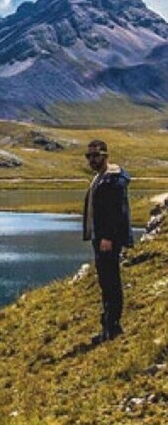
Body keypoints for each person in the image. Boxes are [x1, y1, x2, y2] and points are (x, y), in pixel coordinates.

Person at [82, 139, 133, 345]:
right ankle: (108, 326)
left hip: (107, 240)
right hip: (101, 238)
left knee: (111, 282)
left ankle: (113, 327)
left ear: (105, 156)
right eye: (89, 156)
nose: (92, 160)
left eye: (96, 156)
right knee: (105, 282)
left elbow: (116, 212)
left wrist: (108, 237)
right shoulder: (101, 178)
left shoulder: (113, 180)